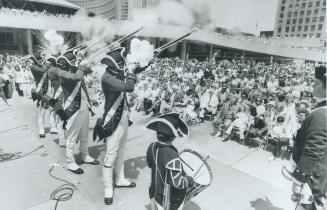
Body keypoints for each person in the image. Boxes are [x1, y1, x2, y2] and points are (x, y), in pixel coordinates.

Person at [93, 48, 146, 205]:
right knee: (111, 154)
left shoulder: (115, 72)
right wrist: (130, 72)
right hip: (113, 120)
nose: (125, 65)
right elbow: (129, 86)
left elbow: (135, 69)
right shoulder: (108, 78)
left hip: (123, 117)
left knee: (122, 150)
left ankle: (120, 178)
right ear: (116, 65)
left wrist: (147, 60)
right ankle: (108, 187)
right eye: (123, 63)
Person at [56, 52, 99, 174]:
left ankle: (84, 155)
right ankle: (70, 163)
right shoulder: (63, 74)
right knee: (72, 138)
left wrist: (88, 61)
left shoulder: (73, 70)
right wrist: (81, 66)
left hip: (83, 106)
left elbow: (89, 70)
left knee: (85, 134)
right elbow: (78, 77)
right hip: (72, 109)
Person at [291, 65, 327, 210]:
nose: (313, 85)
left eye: (316, 83)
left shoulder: (321, 114)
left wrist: (298, 180)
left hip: (312, 180)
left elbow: (313, 150)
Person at [146, 113, 193, 210]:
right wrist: (188, 180)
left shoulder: (152, 146)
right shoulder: (172, 155)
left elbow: (149, 164)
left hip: (154, 189)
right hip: (166, 197)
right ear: (173, 137)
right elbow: (178, 183)